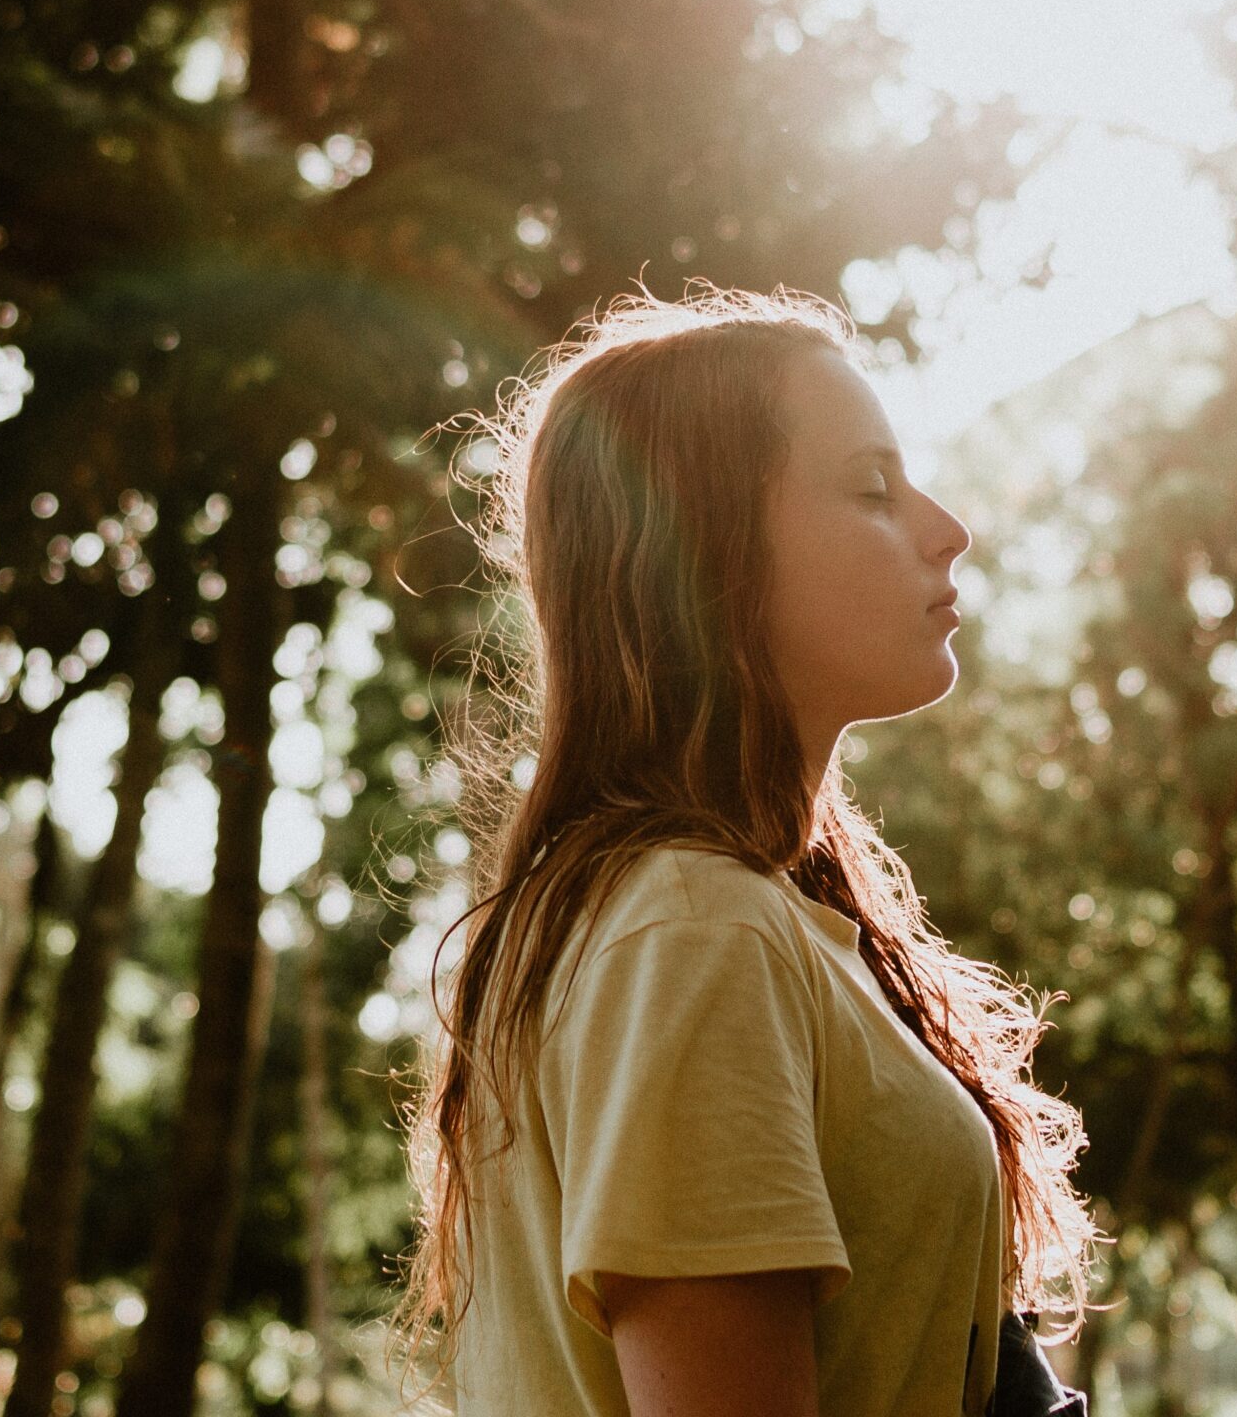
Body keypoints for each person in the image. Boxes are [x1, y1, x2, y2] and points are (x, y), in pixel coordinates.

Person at [395, 284, 1097, 1416]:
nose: (945, 528)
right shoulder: (692, 931)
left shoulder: (727, 919)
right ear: (704, 554)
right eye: (872, 488)